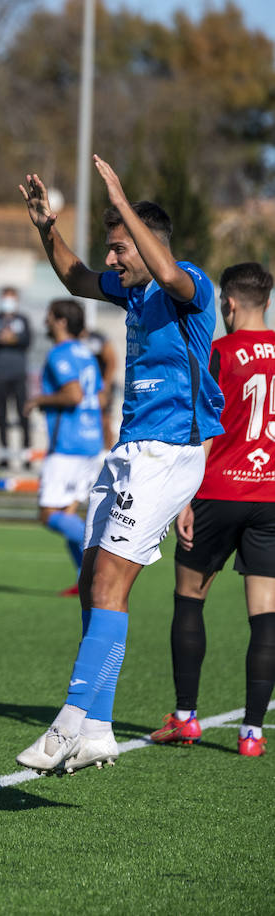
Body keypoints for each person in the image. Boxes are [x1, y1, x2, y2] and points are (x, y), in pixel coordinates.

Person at [14, 155, 224, 775]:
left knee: (110, 582)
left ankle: (68, 724)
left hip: (169, 454)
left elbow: (165, 268)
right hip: (128, 451)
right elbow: (75, 278)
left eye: (119, 248)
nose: (111, 259)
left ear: (147, 243)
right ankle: (100, 728)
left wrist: (121, 199)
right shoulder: (130, 291)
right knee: (91, 582)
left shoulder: (189, 283)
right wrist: (45, 226)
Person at [152, 262, 275, 758]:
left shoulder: (220, 351)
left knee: (189, 599)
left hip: (218, 491)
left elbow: (204, 427)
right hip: (269, 498)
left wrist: (183, 497)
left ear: (228, 303)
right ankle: (252, 734)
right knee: (265, 614)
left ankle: (186, 717)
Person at [24, 299, 104, 596]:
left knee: (49, 515)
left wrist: (38, 400)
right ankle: (86, 580)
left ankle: (100, 551)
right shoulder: (87, 354)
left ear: (59, 321)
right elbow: (99, 398)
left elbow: (73, 395)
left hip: (68, 444)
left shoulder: (60, 354)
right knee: (67, 511)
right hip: (89, 440)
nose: (45, 323)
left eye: (48, 317)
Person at [0, 286, 33, 469]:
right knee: (1, 417)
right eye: (5, 298)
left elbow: (26, 340)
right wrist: (5, 339)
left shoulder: (23, 320)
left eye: (11, 299)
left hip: (19, 374)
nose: (8, 303)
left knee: (23, 415)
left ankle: (26, 454)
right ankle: (4, 455)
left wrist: (11, 339)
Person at [83, 326, 121, 449]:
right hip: (85, 386)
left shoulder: (97, 338)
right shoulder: (73, 341)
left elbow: (112, 361)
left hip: (101, 385)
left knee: (104, 419)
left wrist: (105, 385)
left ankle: (107, 450)